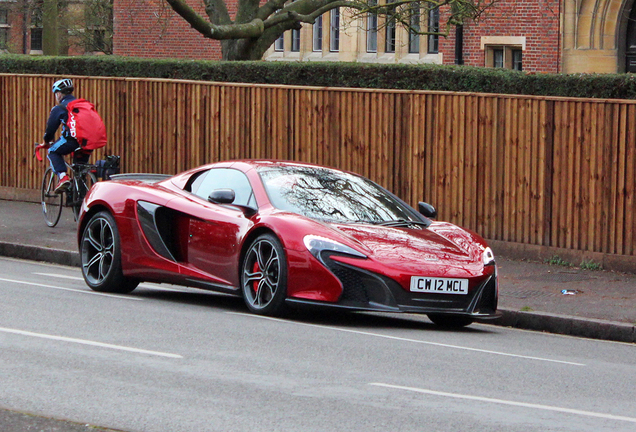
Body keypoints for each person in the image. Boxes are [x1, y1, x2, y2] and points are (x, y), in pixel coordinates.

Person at [42, 78, 91, 193]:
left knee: (53, 151)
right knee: (80, 168)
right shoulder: (83, 105)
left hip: (72, 140)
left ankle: (63, 177)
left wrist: (46, 141)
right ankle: (81, 198)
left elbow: (50, 129)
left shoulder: (60, 108)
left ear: (59, 94)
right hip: (89, 141)